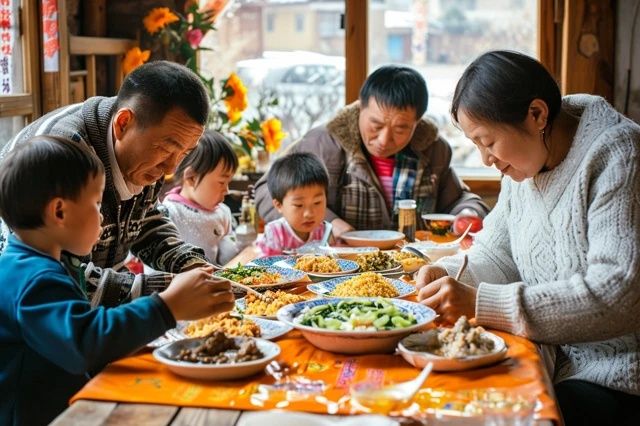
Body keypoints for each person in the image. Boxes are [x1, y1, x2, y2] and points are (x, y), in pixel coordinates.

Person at [414, 50, 640, 425]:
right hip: (551, 360)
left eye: (488, 142)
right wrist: (448, 274)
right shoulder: (524, 166)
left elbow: (619, 293)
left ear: (536, 115)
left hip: (617, 377)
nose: (486, 159)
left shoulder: (619, 154)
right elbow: (497, 254)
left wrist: (482, 303)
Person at [0, 136, 234, 425]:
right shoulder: (33, 280)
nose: (102, 216)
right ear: (59, 211)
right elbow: (84, 343)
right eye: (96, 203)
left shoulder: (38, 263)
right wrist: (166, 307)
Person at [0, 60, 221, 307]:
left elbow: (144, 219)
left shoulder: (143, 154)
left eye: (184, 153)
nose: (171, 169)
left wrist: (189, 263)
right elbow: (67, 282)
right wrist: (171, 292)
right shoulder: (64, 156)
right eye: (165, 149)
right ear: (123, 123)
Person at [255, 65, 489, 239]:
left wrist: (467, 213)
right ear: (360, 107)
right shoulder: (324, 144)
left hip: (410, 265)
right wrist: (329, 223)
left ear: (417, 122)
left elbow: (460, 199)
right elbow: (266, 191)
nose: (384, 140)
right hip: (339, 266)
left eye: (400, 128)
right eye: (376, 125)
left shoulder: (433, 150)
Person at [161, 130, 245, 265]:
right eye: (222, 182)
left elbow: (225, 263)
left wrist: (240, 244)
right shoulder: (169, 213)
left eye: (228, 183)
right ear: (192, 178)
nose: (227, 190)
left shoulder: (223, 212)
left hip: (214, 281)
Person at [256, 152, 331, 255]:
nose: (309, 214)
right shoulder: (275, 233)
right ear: (279, 205)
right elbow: (265, 266)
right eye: (299, 205)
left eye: (317, 202)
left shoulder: (324, 231)